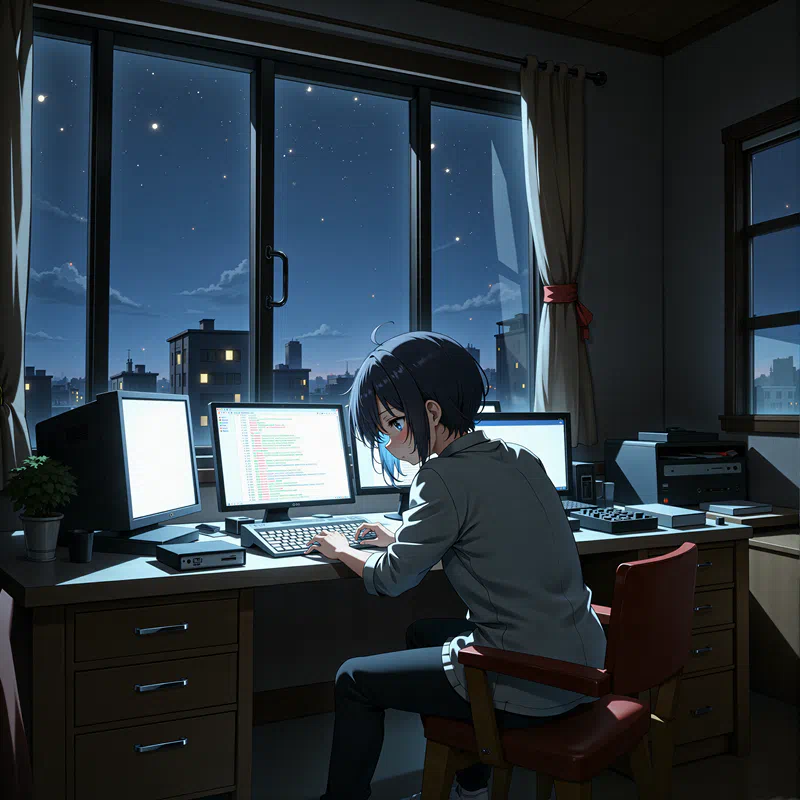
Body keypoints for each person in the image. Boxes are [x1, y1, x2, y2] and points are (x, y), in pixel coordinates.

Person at [304, 330, 606, 800]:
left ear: (431, 412)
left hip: (531, 679)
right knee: (423, 633)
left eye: (392, 422)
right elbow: (485, 531)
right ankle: (471, 784)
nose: (387, 438)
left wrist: (343, 548)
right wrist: (401, 537)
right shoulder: (519, 457)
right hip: (580, 660)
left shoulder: (439, 477)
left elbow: (390, 579)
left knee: (352, 680)